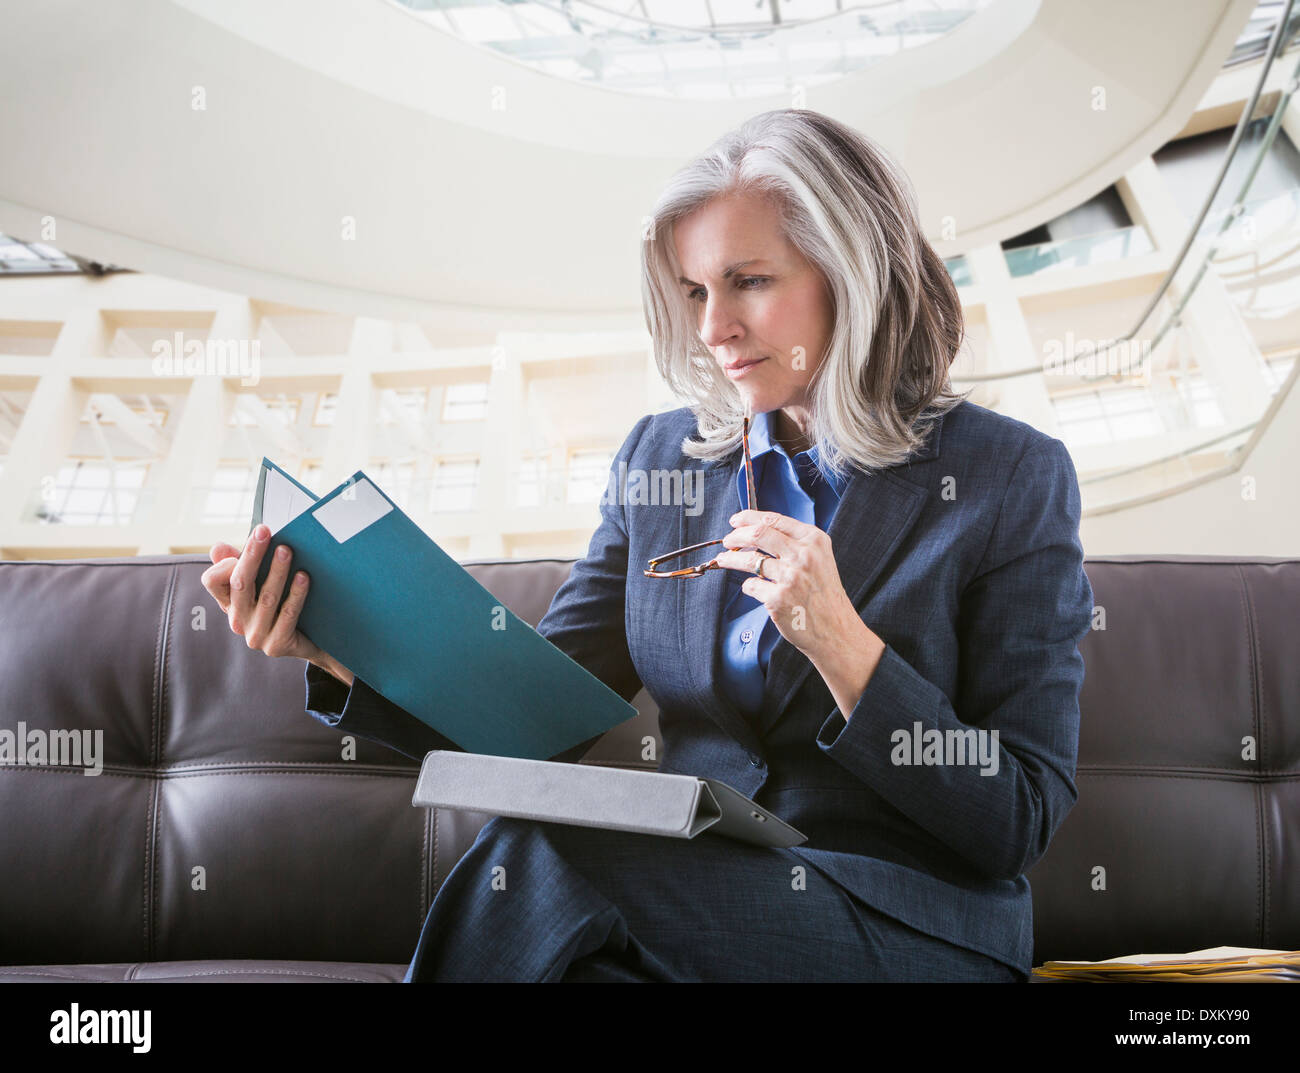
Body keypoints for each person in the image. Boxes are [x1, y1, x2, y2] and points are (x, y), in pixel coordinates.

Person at [202, 109, 1094, 982]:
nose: (713, 329)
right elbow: (532, 725)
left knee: (551, 852)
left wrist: (843, 645)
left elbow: (1016, 814)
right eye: (696, 291)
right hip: (688, 905)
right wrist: (349, 649)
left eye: (748, 281)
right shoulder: (661, 462)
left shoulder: (1008, 477)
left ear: (849, 273)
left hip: (907, 921)